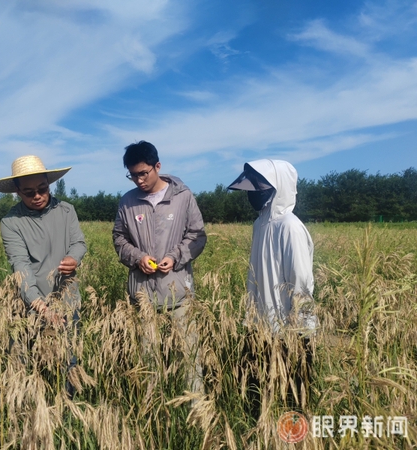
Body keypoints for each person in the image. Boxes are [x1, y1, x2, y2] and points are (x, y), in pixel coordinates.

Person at [112, 140, 207, 395]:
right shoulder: (127, 201)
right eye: (133, 175)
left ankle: (196, 408)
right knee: (147, 358)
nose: (139, 180)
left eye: (143, 173)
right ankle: (151, 407)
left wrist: (175, 257)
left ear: (158, 166)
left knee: (189, 357)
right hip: (143, 294)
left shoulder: (182, 197)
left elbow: (197, 236)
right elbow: (119, 239)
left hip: (178, 292)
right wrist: (138, 257)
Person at [0, 155, 87, 396]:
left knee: (69, 360)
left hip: (67, 300)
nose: (38, 196)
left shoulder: (66, 210)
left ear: (49, 184)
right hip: (30, 305)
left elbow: (79, 243)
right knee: (26, 362)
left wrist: (74, 258)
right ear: (17, 192)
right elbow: (20, 267)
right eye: (29, 192)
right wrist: (41, 307)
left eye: (42, 189)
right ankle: (32, 407)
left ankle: (68, 407)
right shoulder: (11, 222)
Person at [228, 159, 317, 415]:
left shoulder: (290, 227)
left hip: (288, 324)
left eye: (260, 187)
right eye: (252, 187)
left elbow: (300, 280)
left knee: (294, 389)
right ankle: (260, 423)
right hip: (260, 321)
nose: (253, 193)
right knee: (259, 383)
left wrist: (298, 326)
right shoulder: (260, 224)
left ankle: (296, 429)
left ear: (279, 186)